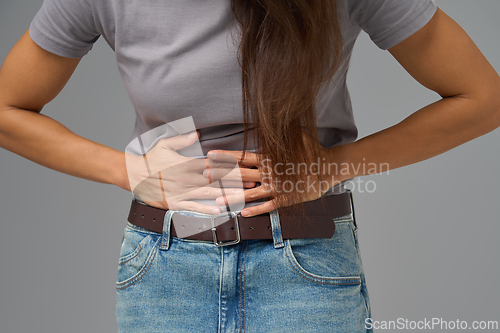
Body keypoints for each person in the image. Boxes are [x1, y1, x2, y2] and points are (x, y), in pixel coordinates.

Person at [0, 0, 499, 332]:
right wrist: (129, 171)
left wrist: (330, 167)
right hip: (166, 266)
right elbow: (8, 108)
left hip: (306, 261)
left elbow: (483, 97)